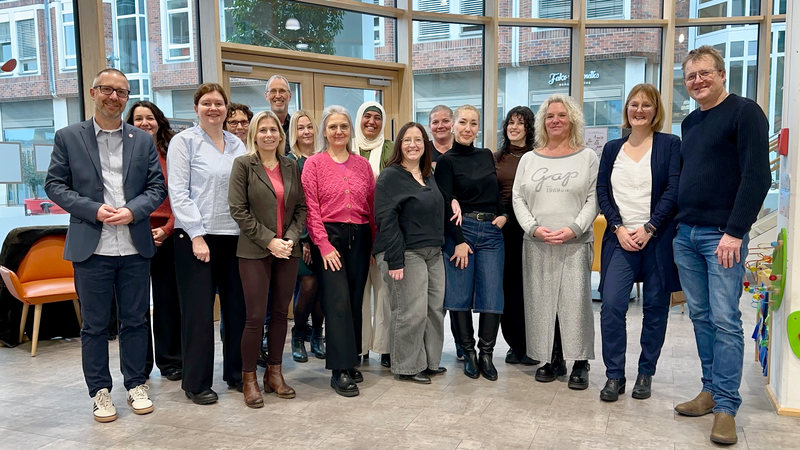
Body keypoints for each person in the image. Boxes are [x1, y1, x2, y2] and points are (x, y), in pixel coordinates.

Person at [44, 68, 166, 422]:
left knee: (135, 321)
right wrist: (93, 209)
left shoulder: (142, 140)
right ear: (93, 93)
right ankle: (99, 391)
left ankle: (136, 384)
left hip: (134, 245)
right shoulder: (68, 137)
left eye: (122, 92)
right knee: (94, 326)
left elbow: (156, 188)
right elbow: (55, 185)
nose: (114, 97)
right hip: (90, 247)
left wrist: (132, 211)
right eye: (108, 90)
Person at [672, 45, 770, 445]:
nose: (698, 81)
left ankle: (727, 406)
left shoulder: (746, 112)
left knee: (726, 318)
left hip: (722, 236)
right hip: (687, 234)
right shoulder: (690, 123)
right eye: (691, 75)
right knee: (700, 316)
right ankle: (710, 389)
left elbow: (757, 177)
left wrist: (734, 231)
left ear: (722, 74)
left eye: (705, 73)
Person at [596, 84, 681, 402]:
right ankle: (614, 375)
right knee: (612, 306)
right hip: (620, 239)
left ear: (656, 110)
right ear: (626, 110)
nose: (640, 109)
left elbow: (674, 190)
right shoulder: (611, 148)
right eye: (634, 104)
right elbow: (602, 191)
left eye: (647, 104)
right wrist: (617, 227)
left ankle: (645, 373)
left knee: (656, 308)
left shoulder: (670, 144)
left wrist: (650, 227)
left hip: (657, 239)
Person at [167, 83, 248, 405]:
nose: (213, 108)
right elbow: (179, 192)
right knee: (199, 314)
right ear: (196, 108)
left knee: (236, 311)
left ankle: (236, 373)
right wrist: (197, 235)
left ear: (227, 109)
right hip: (195, 238)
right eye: (206, 103)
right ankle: (196, 382)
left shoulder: (237, 144)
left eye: (218, 103)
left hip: (234, 237)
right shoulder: (184, 142)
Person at [512, 94, 598, 390]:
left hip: (575, 242)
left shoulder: (587, 157)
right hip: (537, 242)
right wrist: (533, 228)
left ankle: (580, 362)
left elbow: (593, 199)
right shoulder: (529, 159)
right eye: (550, 116)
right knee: (541, 303)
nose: (556, 120)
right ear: (543, 122)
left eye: (562, 115)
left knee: (575, 304)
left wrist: (574, 228)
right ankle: (552, 358)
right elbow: (518, 198)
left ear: (572, 119)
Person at [229, 110, 306, 407]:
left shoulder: (290, 166)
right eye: (263, 130)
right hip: (254, 251)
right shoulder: (243, 165)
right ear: (254, 135)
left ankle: (274, 373)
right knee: (255, 317)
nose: (269, 135)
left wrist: (289, 239)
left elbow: (301, 208)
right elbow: (239, 210)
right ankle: (249, 378)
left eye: (274, 129)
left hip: (288, 250)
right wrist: (269, 241)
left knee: (279, 315)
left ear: (281, 135)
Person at [301, 105, 375, 397]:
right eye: (333, 127)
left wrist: (373, 242)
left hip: (359, 236)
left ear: (350, 131)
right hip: (329, 238)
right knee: (337, 302)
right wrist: (323, 244)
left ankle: (351, 359)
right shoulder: (314, 164)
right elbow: (311, 209)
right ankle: (338, 370)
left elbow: (370, 206)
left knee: (355, 301)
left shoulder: (362, 165)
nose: (339, 131)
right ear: (324, 132)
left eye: (344, 126)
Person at [434, 105, 507, 381]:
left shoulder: (486, 155)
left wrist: (502, 215)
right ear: (453, 125)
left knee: (492, 296)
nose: (467, 128)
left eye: (473, 123)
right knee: (460, 296)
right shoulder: (447, 162)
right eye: (463, 122)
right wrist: (459, 241)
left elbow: (494, 190)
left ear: (479, 127)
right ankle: (468, 352)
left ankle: (486, 353)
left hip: (491, 232)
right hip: (460, 232)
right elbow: (444, 204)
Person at [374, 122, 446, 384]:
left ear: (425, 145)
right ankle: (406, 365)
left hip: (433, 252)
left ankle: (429, 361)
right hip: (405, 252)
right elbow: (385, 219)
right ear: (399, 145)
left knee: (435, 309)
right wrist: (395, 259)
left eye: (418, 140)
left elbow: (437, 203)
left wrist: (454, 203)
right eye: (407, 140)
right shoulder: (391, 176)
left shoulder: (428, 175)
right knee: (411, 311)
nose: (413, 145)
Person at [125, 100, 182, 382]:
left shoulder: (172, 152)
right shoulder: (121, 153)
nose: (145, 123)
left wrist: (168, 228)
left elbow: (184, 194)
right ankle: (139, 366)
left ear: (159, 121)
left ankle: (171, 361)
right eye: (138, 119)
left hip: (168, 235)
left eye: (150, 118)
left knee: (168, 302)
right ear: (130, 123)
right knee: (135, 306)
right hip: (132, 234)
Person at [494, 106, 538, 366]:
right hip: (504, 226)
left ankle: (532, 343)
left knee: (528, 289)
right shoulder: (496, 157)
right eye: (511, 122)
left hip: (531, 227)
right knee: (507, 289)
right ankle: (514, 344)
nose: (514, 127)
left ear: (529, 128)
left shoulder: (537, 157)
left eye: (520, 123)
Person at [355, 101, 393, 367]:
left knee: (384, 293)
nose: (371, 121)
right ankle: (360, 347)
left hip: (385, 231)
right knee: (358, 294)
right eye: (366, 116)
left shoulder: (391, 149)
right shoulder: (348, 147)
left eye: (377, 117)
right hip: (354, 231)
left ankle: (385, 347)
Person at [287, 110, 326, 361]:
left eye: (310, 127)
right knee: (308, 286)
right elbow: (293, 203)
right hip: (303, 234)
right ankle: (299, 334)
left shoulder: (324, 158)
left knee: (323, 288)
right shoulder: (290, 161)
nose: (306, 132)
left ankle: (318, 335)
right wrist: (303, 239)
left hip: (327, 233)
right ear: (294, 132)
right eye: (300, 128)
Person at [265, 75, 293, 153]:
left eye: (282, 91)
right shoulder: (259, 128)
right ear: (266, 96)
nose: (277, 96)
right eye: (273, 91)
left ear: (290, 96)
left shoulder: (297, 127)